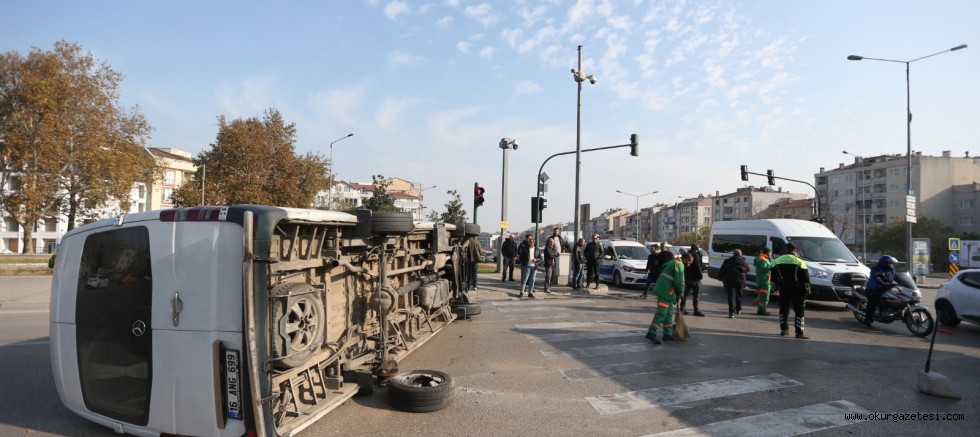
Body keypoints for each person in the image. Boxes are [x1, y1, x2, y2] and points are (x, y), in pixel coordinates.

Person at [645, 252, 692, 344]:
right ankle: (651, 333)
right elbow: (679, 281)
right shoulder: (679, 265)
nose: (689, 265)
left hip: (668, 293)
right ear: (686, 259)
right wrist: (681, 292)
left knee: (668, 314)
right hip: (665, 293)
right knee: (661, 313)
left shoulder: (674, 262)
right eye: (689, 262)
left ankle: (667, 334)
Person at [771, 242, 811, 339]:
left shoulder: (777, 260)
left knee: (783, 309)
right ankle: (799, 333)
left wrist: (775, 289)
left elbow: (773, 278)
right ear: (795, 250)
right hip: (798, 289)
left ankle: (784, 330)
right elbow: (806, 279)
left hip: (784, 288)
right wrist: (807, 291)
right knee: (799, 311)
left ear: (785, 249)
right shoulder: (800, 261)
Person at [863, 255, 898, 327]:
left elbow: (898, 278)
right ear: (884, 262)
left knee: (895, 299)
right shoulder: (876, 269)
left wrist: (906, 283)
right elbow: (877, 277)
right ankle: (868, 319)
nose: (891, 265)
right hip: (873, 288)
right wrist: (883, 283)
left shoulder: (891, 270)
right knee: (873, 302)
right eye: (890, 263)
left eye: (892, 263)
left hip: (885, 288)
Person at [719, 249, 750, 318]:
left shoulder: (727, 261)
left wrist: (720, 277)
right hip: (741, 280)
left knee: (731, 296)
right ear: (740, 254)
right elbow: (748, 269)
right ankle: (738, 309)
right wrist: (742, 271)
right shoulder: (743, 261)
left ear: (733, 254)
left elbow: (722, 270)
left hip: (730, 280)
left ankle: (731, 312)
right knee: (739, 295)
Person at [679, 244, 705, 316]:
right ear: (697, 248)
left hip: (687, 277)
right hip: (695, 278)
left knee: (686, 294)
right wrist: (700, 276)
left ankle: (682, 309)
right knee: (696, 295)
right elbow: (698, 267)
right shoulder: (695, 255)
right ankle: (696, 310)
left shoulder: (686, 254)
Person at [754, 247, 774, 315]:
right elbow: (763, 268)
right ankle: (762, 311)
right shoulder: (762, 259)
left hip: (764, 280)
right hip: (764, 280)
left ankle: (762, 309)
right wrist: (772, 266)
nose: (771, 253)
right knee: (764, 296)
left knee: (763, 295)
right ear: (768, 252)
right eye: (770, 252)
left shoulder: (764, 258)